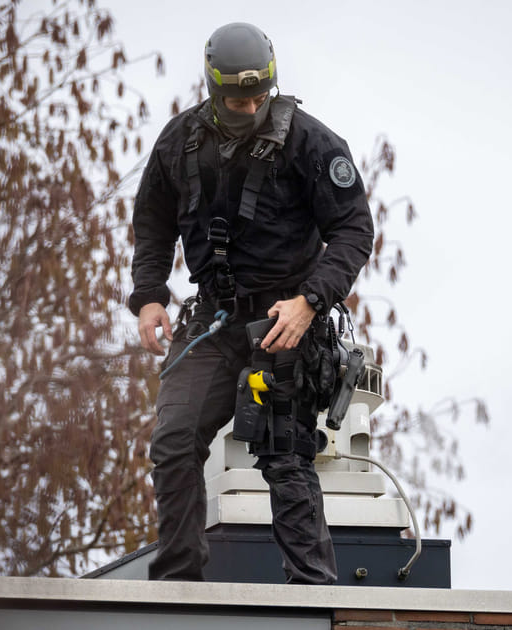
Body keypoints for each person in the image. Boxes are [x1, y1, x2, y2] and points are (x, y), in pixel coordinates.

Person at [127, 22, 373, 584]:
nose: (252, 107)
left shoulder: (312, 144)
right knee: (173, 439)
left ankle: (313, 596)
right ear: (214, 92)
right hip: (212, 321)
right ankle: (177, 587)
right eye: (240, 101)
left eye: (261, 97)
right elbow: (153, 223)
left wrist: (310, 301)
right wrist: (149, 297)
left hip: (286, 323)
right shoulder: (179, 142)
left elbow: (354, 230)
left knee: (285, 454)